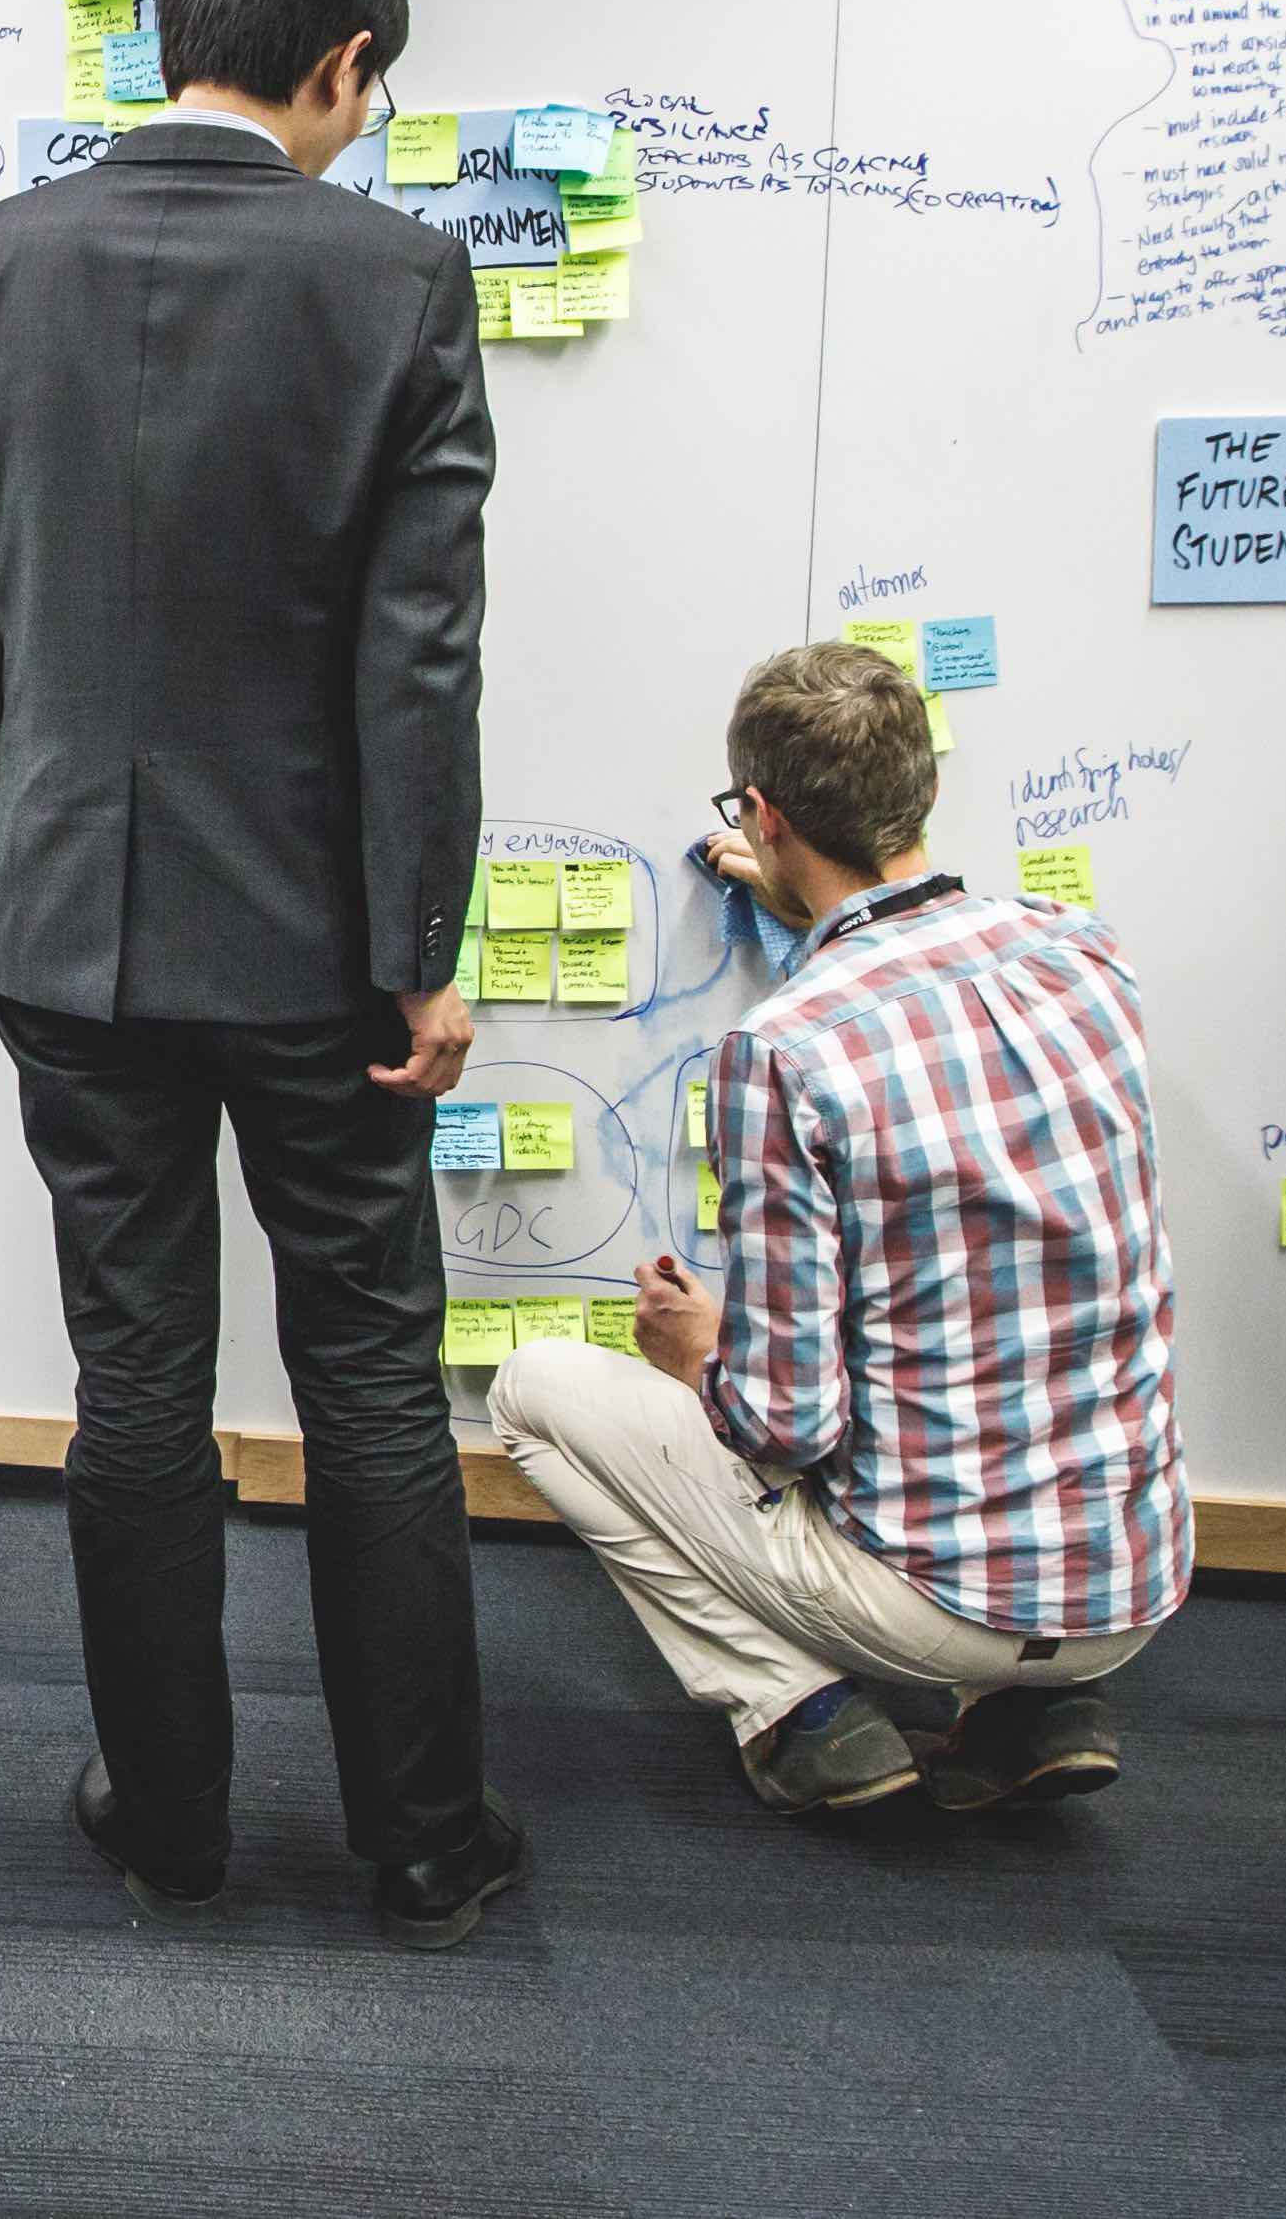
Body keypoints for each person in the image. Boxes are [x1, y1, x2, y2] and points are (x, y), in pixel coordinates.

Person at [0, 0, 518, 1947]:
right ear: (342, 62)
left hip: (64, 925)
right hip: (321, 951)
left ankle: (165, 1820)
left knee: (135, 1377)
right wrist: (420, 952)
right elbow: (417, 660)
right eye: (370, 91)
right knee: (370, 1377)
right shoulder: (399, 279)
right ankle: (420, 1837)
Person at [492, 643, 1185, 1820]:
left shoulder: (783, 1050)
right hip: (1133, 1582)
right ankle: (1031, 1710)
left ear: (761, 817)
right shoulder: (1080, 950)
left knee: (531, 1392)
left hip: (936, 1604)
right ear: (921, 788)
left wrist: (699, 1350)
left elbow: (785, 1428)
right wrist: (811, 904)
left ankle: (796, 1709)